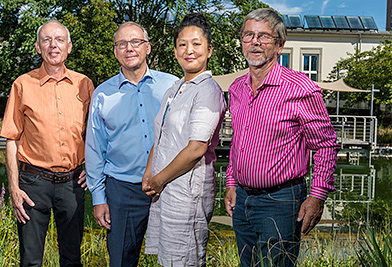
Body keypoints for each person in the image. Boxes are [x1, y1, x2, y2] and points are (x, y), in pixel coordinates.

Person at [224, 8, 341, 267]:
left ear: (280, 45)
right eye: (248, 35)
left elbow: (325, 145)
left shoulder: (300, 88)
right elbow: (238, 142)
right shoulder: (236, 89)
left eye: (263, 36)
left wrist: (318, 196)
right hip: (243, 199)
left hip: (280, 201)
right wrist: (231, 182)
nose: (254, 41)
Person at [0, 19, 94, 266]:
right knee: (30, 261)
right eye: (47, 40)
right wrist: (13, 187)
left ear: (69, 47)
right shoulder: (22, 84)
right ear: (38, 47)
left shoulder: (85, 84)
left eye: (60, 40)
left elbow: (95, 135)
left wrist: (92, 167)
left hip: (73, 184)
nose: (54, 45)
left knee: (72, 259)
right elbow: (11, 139)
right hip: (32, 184)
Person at [85, 21, 178, 266]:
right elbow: (95, 149)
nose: (129, 48)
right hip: (122, 190)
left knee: (177, 259)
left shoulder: (173, 86)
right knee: (122, 260)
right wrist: (98, 197)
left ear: (147, 47)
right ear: (115, 51)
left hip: (169, 185)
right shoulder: (102, 94)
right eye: (122, 44)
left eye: (135, 42)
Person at [142, 13, 226, 267]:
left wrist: (158, 179)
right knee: (169, 259)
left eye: (196, 44)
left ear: (209, 50)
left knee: (185, 258)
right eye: (182, 44)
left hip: (186, 192)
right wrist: (148, 173)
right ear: (175, 50)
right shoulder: (175, 88)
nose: (189, 50)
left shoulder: (208, 90)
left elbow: (196, 148)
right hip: (165, 188)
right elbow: (161, 133)